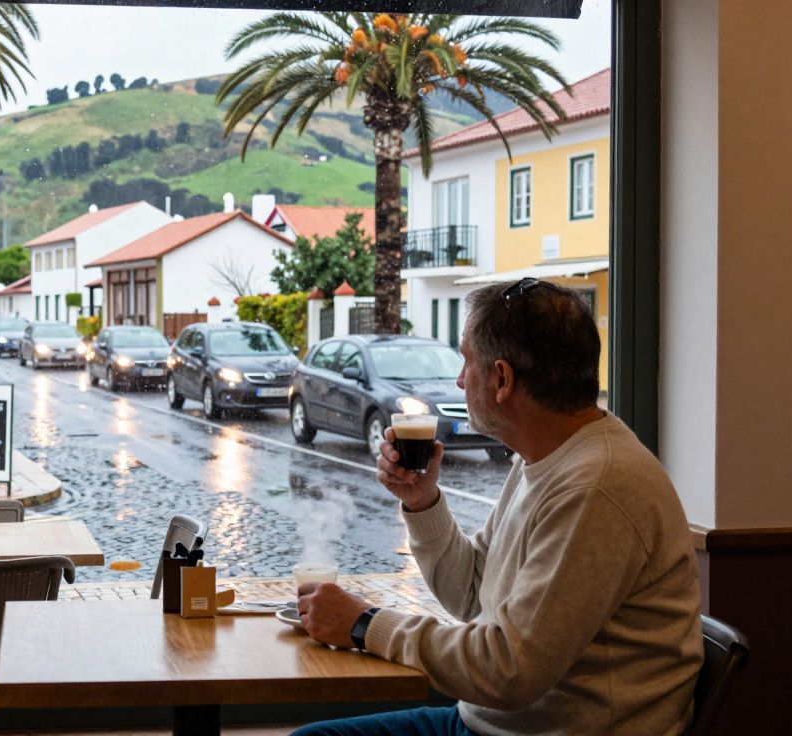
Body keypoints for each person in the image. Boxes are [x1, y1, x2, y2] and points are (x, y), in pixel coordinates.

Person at [293, 279, 703, 736]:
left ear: (502, 379)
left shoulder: (596, 486)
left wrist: (364, 624)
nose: (459, 379)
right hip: (491, 724)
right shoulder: (543, 458)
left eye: (467, 360)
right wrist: (422, 501)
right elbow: (474, 595)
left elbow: (508, 669)